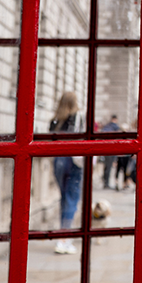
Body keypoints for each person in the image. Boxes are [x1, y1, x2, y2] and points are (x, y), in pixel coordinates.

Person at [50, 91, 83, 255]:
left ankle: (62, 236)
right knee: (72, 198)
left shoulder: (55, 120)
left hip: (58, 160)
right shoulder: (77, 117)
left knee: (64, 198)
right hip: (72, 160)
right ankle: (64, 239)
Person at [100, 114, 121, 189]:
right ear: (115, 119)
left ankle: (105, 181)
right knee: (109, 167)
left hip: (105, 149)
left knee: (106, 167)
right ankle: (106, 183)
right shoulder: (115, 127)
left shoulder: (106, 126)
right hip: (112, 149)